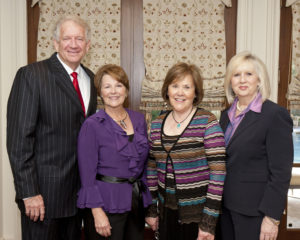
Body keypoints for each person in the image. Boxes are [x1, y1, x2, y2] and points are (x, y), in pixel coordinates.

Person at [6, 16, 97, 240]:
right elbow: (19, 141)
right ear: (55, 43)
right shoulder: (32, 75)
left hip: (78, 198)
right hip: (43, 198)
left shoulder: (92, 79)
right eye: (67, 38)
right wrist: (29, 192)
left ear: (88, 45)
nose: (73, 44)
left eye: (79, 38)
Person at [146, 62, 226, 240]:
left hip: (199, 217)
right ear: (167, 90)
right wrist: (152, 209)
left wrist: (208, 222)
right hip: (166, 214)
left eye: (186, 87)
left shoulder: (208, 121)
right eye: (175, 86)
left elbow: (218, 174)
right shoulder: (157, 123)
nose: (179, 92)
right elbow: (151, 169)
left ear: (195, 92)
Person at [218, 51, 293, 240]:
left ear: (259, 79)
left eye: (249, 74)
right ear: (230, 81)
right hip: (224, 208)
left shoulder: (275, 115)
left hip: (255, 212)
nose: (242, 80)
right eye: (236, 75)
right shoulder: (225, 116)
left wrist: (272, 217)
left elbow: (281, 173)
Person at [76, 64, 152, 240]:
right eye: (107, 86)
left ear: (126, 90)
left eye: (119, 85)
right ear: (100, 92)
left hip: (135, 204)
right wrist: (97, 212)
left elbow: (144, 168)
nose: (113, 91)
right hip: (106, 205)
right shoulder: (92, 125)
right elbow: (87, 175)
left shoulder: (139, 119)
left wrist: (148, 205)